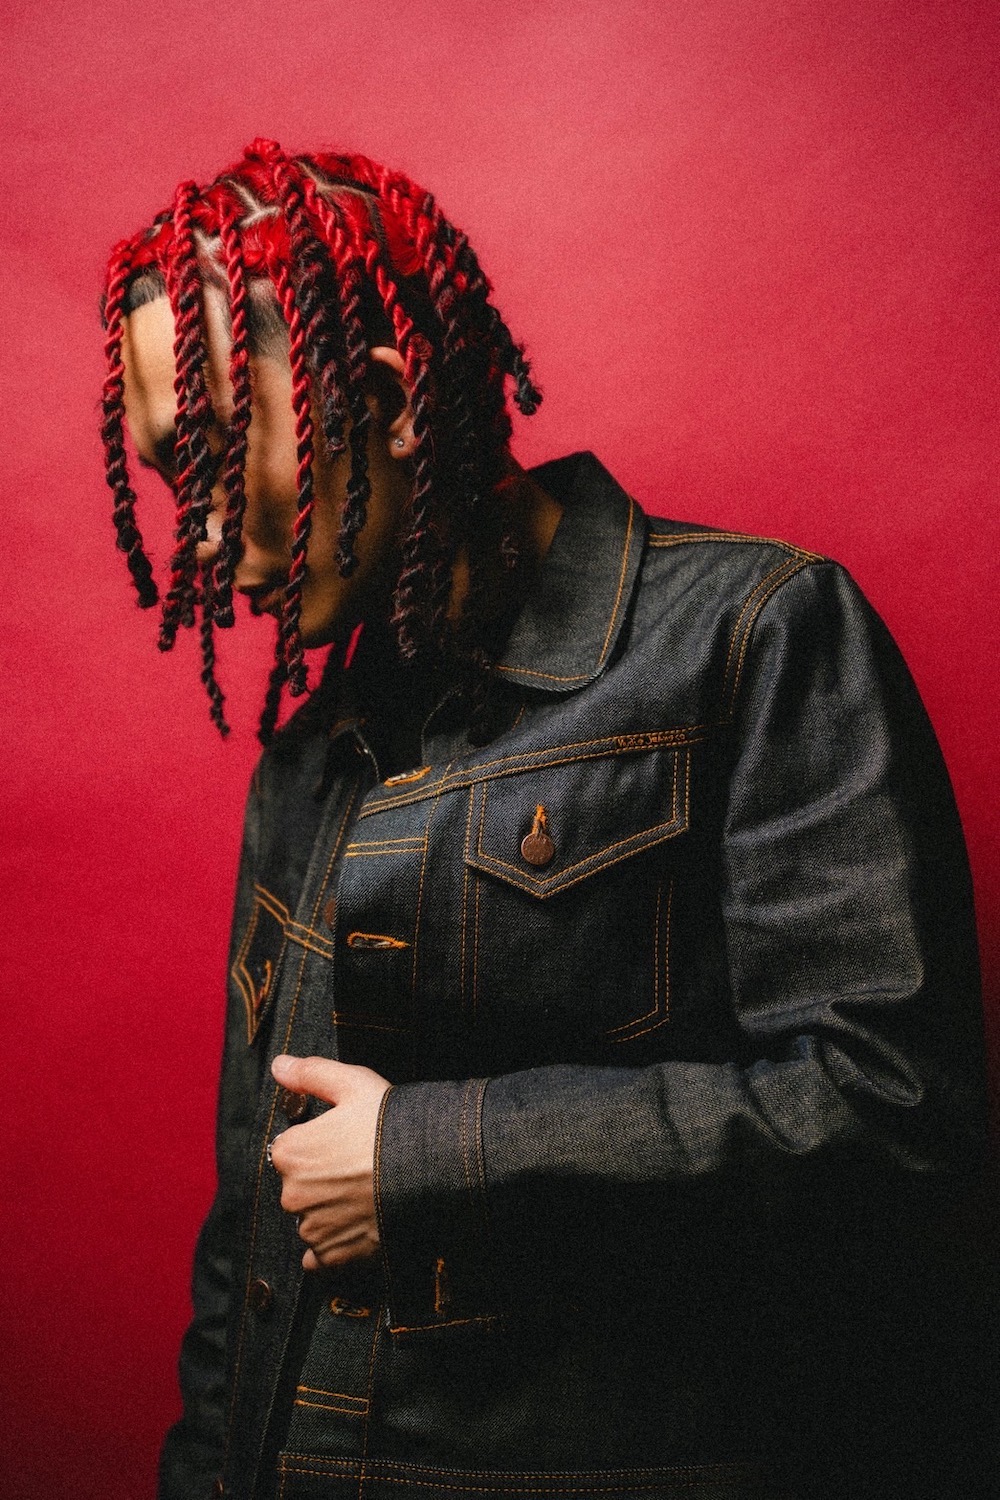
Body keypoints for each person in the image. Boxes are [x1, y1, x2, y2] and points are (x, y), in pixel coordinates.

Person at [102, 139, 991, 1500]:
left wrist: (432, 1160)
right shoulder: (306, 764)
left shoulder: (753, 636)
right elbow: (249, 1250)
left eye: (214, 459)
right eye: (171, 480)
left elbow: (893, 1120)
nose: (201, 538)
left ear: (387, 404)